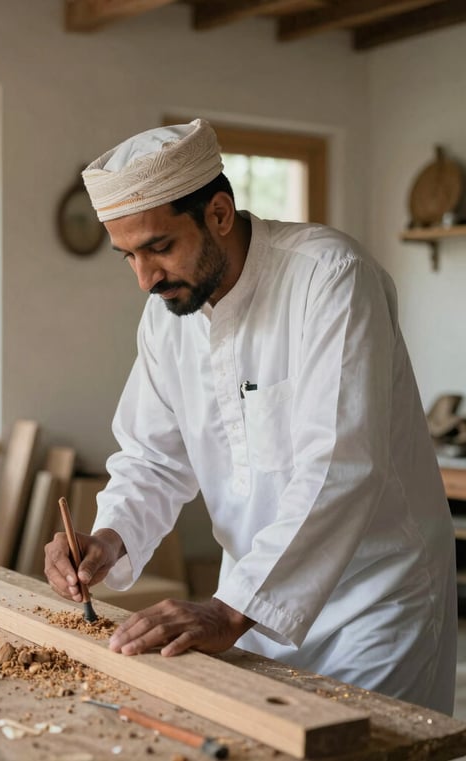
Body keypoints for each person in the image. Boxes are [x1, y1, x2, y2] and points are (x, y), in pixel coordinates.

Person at [44, 118, 457, 713]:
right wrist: (109, 539)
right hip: (256, 597)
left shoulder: (330, 277)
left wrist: (225, 608)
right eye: (127, 256)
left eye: (159, 247)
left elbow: (338, 467)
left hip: (375, 603)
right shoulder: (168, 314)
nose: (145, 279)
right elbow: (153, 458)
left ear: (218, 213)